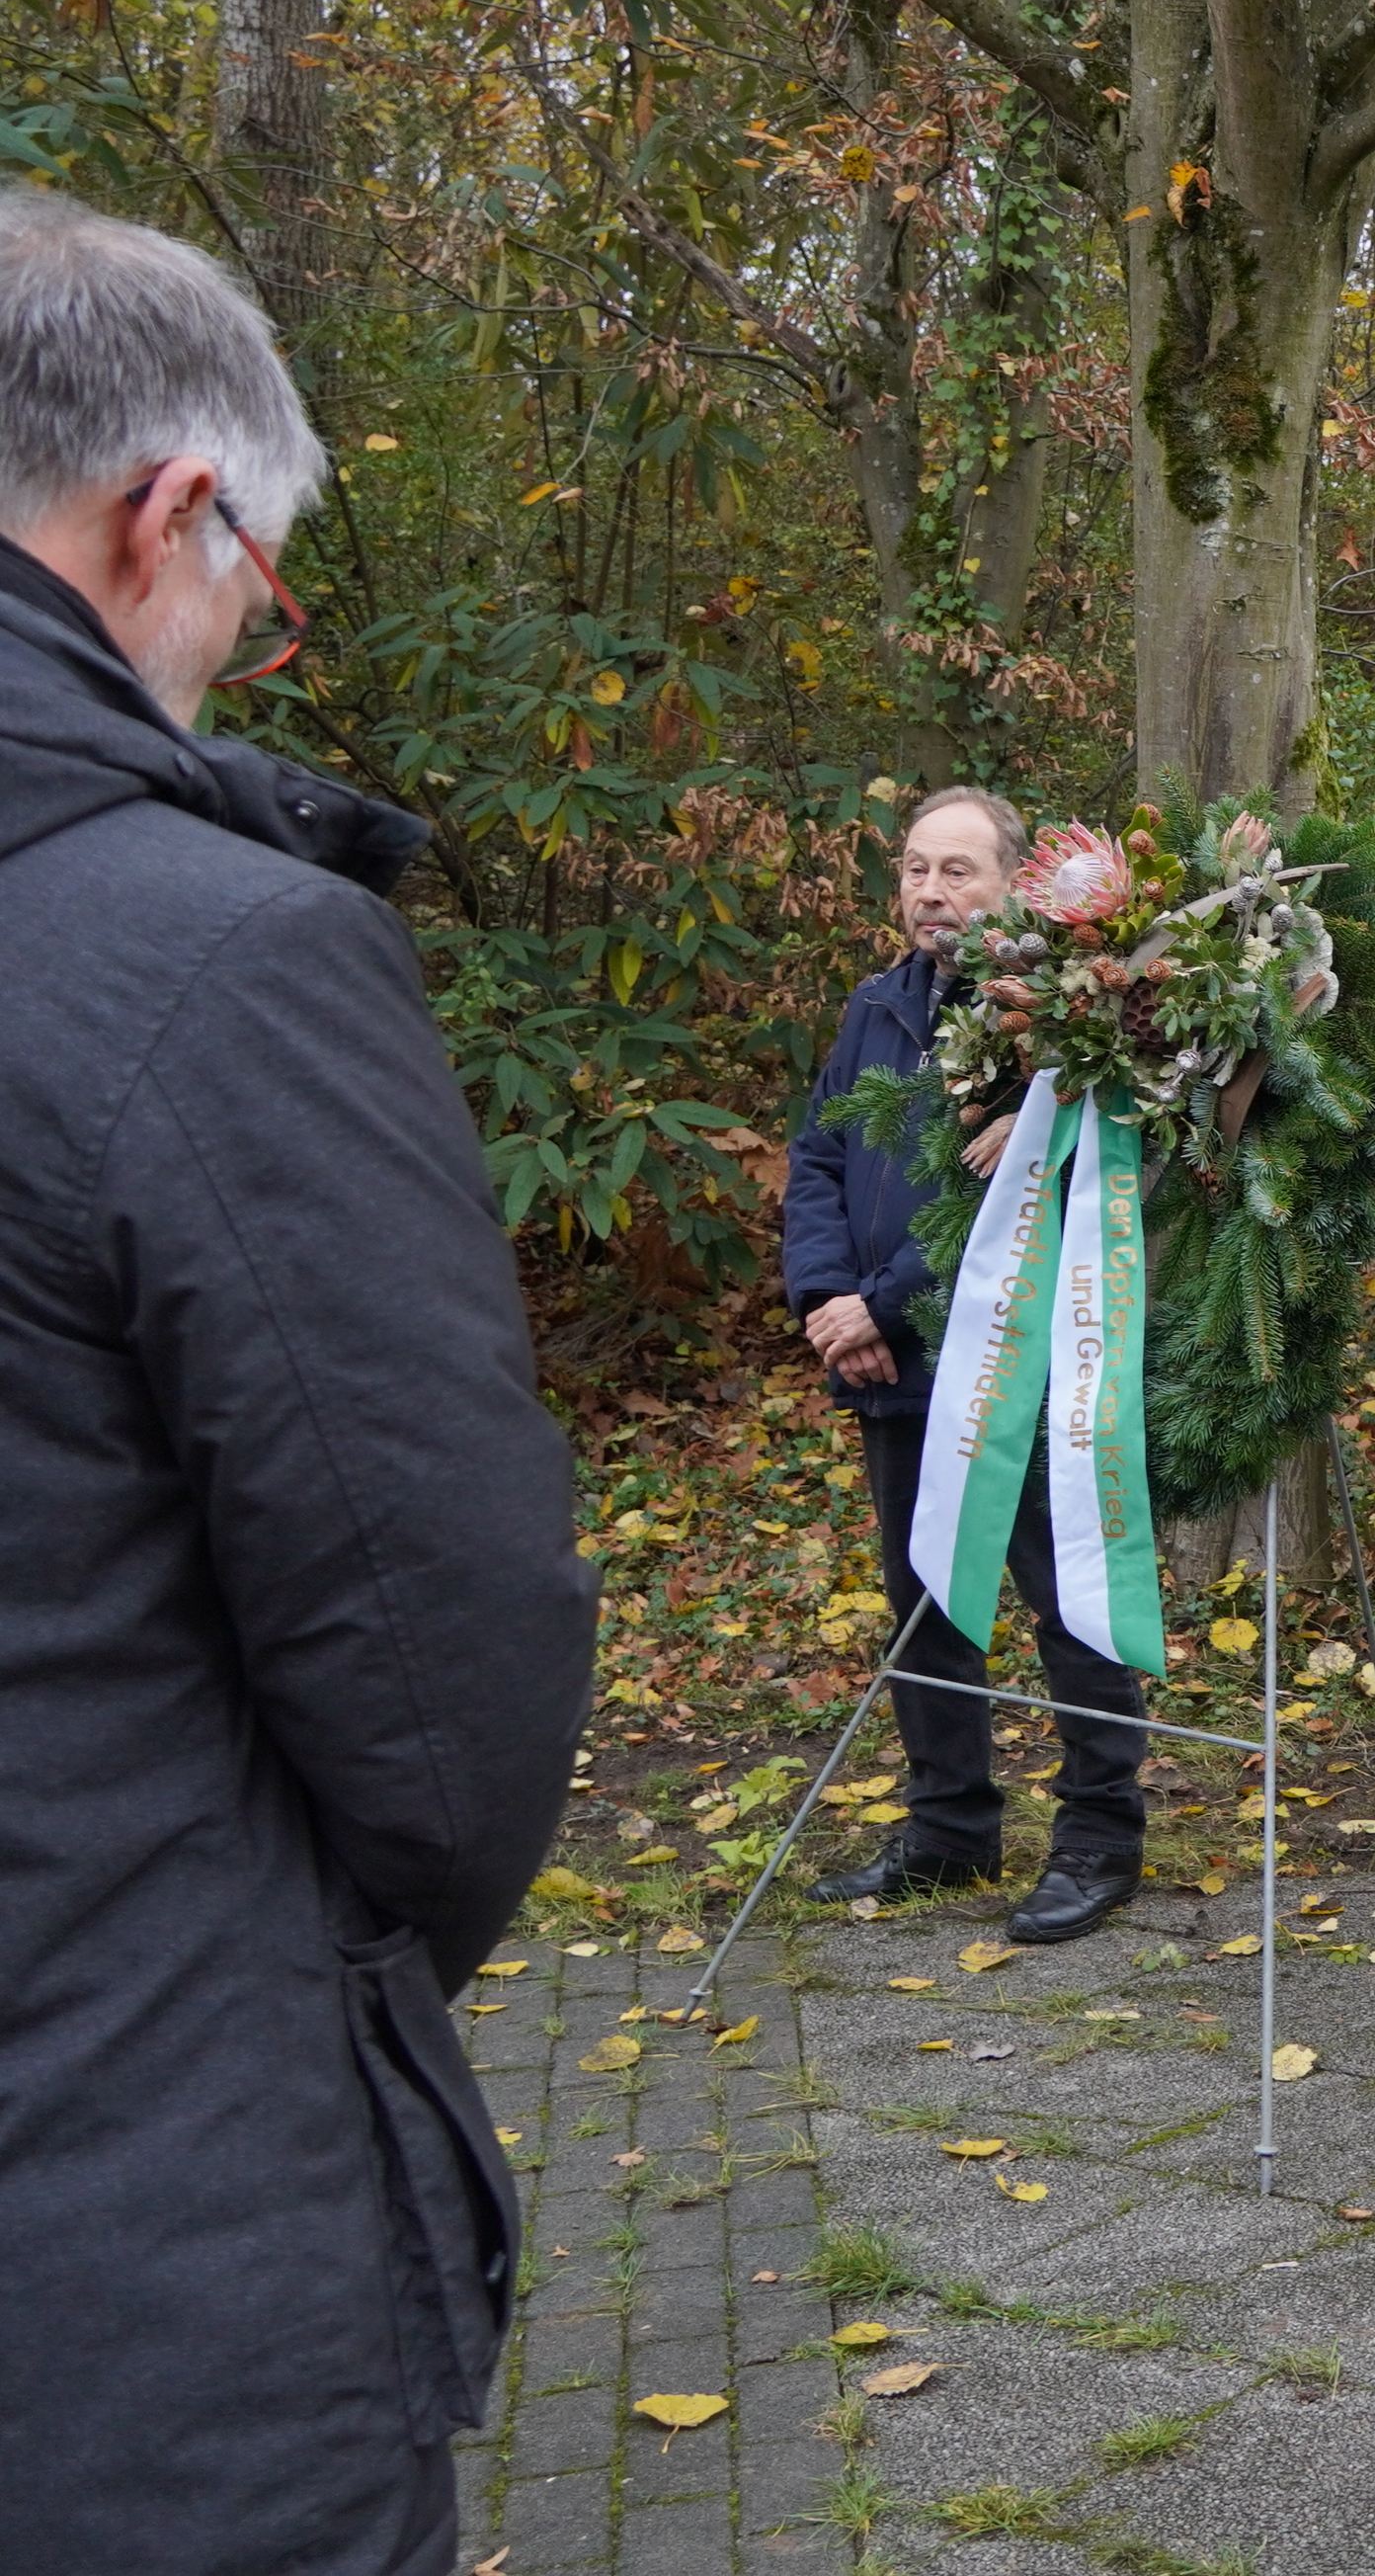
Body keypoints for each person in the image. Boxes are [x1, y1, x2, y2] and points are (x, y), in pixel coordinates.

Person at [0, 187, 596, 2571]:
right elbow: (447, 1665)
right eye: (262, 587)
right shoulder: (212, 960)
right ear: (173, 510)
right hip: (133, 2246)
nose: (245, 648)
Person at [784, 784, 1152, 1944]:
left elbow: (996, 1197)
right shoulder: (876, 1007)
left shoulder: (1049, 1022)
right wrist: (825, 1296)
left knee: (1063, 1597)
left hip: (1015, 1359)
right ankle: (949, 1834)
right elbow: (818, 1156)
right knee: (924, 1599)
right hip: (891, 1368)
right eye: (915, 870)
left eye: (959, 871)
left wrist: (876, 1308)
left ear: (1013, 884)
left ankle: (1099, 1836)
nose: (931, 893)